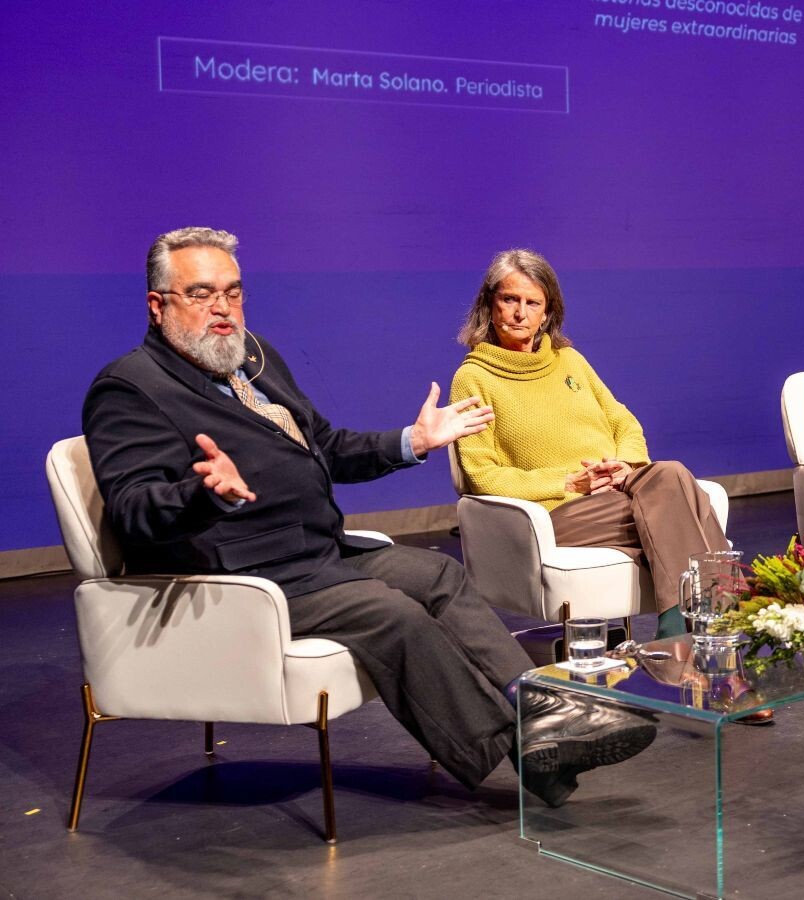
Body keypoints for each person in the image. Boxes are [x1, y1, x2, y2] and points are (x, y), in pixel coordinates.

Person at [82, 227, 651, 809]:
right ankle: (533, 746)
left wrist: (414, 440)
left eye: (233, 292)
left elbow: (326, 445)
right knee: (394, 614)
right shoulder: (130, 388)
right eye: (202, 294)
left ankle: (542, 710)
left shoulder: (255, 359)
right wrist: (205, 495)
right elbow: (133, 508)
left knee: (441, 576)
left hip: (316, 553)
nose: (224, 308)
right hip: (246, 575)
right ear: (158, 306)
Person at [449, 249, 730, 639]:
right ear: (489, 305)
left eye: (533, 303)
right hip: (559, 514)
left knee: (670, 474)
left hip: (618, 492)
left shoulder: (570, 361)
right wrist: (567, 482)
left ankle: (683, 632)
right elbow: (482, 474)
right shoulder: (474, 378)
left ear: (547, 313)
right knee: (683, 498)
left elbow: (622, 419)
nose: (520, 313)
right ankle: (709, 628)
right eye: (510, 300)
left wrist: (625, 465)